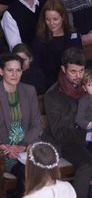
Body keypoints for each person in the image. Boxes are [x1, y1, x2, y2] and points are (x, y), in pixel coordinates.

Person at [42, 47, 92, 198]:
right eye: (73, 71)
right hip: (69, 140)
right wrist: (89, 136)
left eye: (81, 70)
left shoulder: (90, 84)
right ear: (63, 69)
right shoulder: (52, 95)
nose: (78, 76)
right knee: (88, 164)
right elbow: (59, 132)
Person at [0, 53, 43, 198]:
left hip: (24, 148)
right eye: (10, 70)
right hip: (3, 150)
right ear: (1, 71)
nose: (14, 74)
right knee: (26, 176)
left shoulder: (28, 90)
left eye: (18, 70)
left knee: (36, 173)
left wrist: (23, 145)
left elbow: (37, 124)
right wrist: (4, 147)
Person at [31, 0, 82, 89]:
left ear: (62, 17)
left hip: (74, 83)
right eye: (47, 19)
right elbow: (38, 70)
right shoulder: (39, 41)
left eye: (55, 19)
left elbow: (80, 61)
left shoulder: (73, 35)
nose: (51, 23)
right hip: (50, 87)